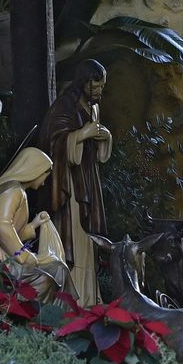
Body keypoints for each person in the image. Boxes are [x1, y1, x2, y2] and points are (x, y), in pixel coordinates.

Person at [37, 60, 112, 305]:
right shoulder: (64, 106)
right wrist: (83, 134)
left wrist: (104, 137)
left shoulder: (93, 107)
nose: (100, 91)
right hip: (69, 185)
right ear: (84, 82)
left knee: (87, 240)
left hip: (88, 179)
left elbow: (97, 150)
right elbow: (54, 141)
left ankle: (89, 295)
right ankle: (73, 299)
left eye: (102, 86)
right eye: (96, 86)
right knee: (75, 236)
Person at [0, 147, 69, 300]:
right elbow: (2, 226)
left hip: (0, 253)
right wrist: (25, 256)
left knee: (55, 268)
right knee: (47, 277)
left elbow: (10, 233)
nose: (43, 183)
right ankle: (31, 319)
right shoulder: (14, 191)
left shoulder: (15, 190)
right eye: (44, 176)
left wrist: (34, 225)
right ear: (33, 171)